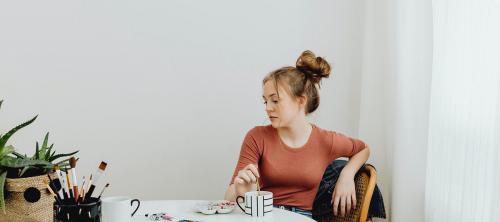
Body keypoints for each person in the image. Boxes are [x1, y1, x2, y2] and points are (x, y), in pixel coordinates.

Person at [224, 50, 370, 218]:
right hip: (265, 216)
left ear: (301, 101)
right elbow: (228, 198)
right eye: (265, 101)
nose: (268, 108)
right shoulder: (257, 137)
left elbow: (363, 149)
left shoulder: (325, 141)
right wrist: (239, 190)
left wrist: (347, 174)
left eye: (275, 100)